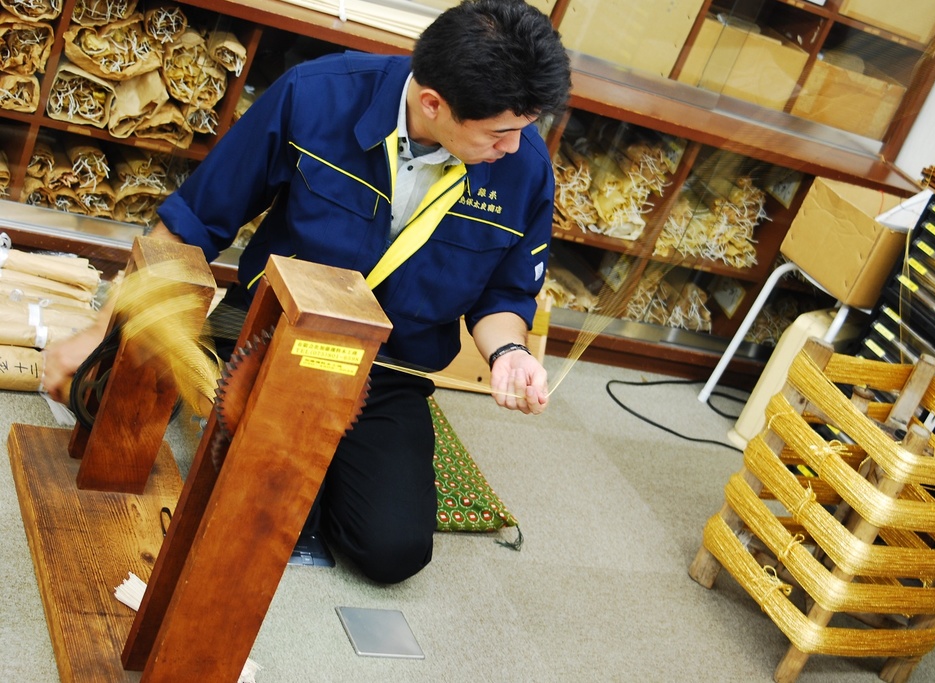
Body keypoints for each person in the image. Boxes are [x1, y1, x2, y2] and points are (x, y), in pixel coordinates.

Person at [42, 0, 572, 584]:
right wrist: (103, 332)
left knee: (392, 551)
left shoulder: (525, 167)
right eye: (500, 133)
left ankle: (334, 456)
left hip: (389, 365)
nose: (514, 148)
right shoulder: (315, 95)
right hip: (271, 335)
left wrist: (509, 352)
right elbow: (193, 223)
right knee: (247, 501)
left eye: (526, 128)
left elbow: (504, 295)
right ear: (432, 104)